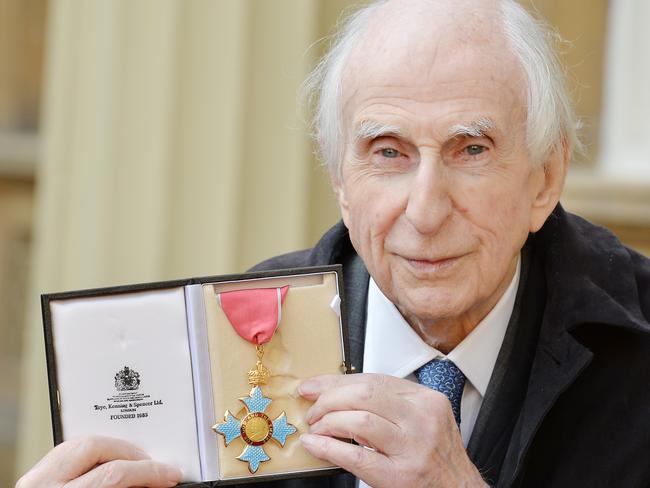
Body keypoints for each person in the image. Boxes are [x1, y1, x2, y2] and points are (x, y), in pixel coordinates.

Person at [17, 0, 650, 487]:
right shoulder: (223, 340)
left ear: (545, 178)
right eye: (388, 152)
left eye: (472, 149)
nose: (425, 212)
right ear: (340, 179)